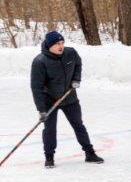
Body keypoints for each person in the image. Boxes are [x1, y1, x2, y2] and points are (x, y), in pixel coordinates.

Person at [30, 31, 103, 168]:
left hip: (69, 97)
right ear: (49, 45)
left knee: (78, 125)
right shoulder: (40, 62)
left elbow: (78, 65)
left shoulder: (71, 53)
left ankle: (90, 153)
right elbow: (36, 87)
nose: (61, 46)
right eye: (57, 44)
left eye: (62, 43)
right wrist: (41, 109)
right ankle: (49, 157)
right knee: (50, 129)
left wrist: (76, 79)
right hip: (49, 99)